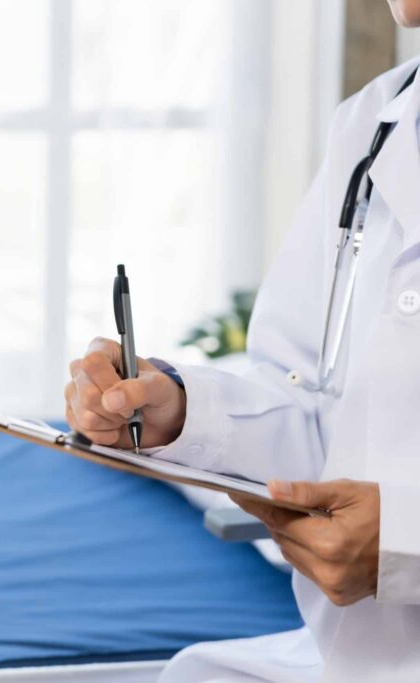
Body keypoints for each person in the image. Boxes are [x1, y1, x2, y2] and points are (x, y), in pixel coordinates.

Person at [65, 2, 420, 681]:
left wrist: (408, 538)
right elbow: (315, 405)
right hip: (347, 656)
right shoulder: (375, 124)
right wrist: (175, 406)